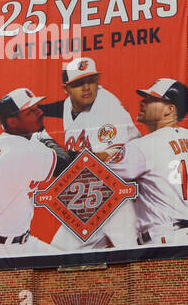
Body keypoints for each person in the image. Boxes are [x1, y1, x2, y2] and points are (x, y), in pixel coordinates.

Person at [42, 56, 140, 251]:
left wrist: (52, 148)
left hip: (126, 195)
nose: (87, 87)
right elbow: (57, 108)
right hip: (98, 196)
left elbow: (103, 159)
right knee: (58, 253)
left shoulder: (106, 106)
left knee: (134, 256)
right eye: (79, 83)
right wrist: (30, 113)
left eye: (91, 80)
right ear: (66, 89)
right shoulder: (69, 104)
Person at [99, 78, 188, 249]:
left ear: (169, 109)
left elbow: (99, 167)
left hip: (164, 237)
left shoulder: (146, 145)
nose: (143, 101)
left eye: (151, 99)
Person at [0, 88, 65, 261]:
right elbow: (64, 162)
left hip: (21, 241)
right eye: (30, 111)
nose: (39, 112)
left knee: (66, 263)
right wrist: (44, 137)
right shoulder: (24, 150)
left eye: (37, 107)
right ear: (13, 122)